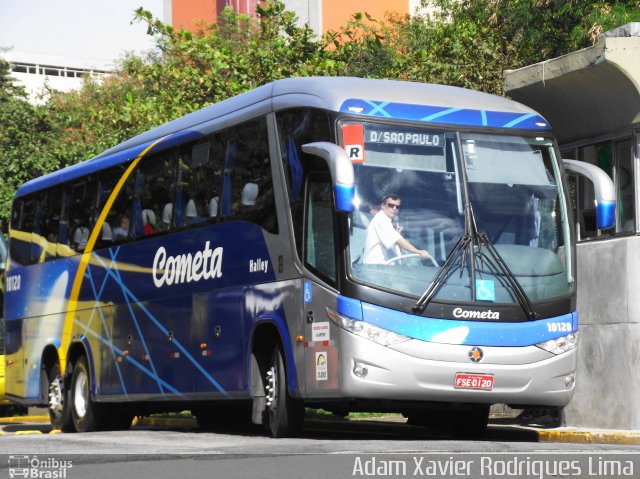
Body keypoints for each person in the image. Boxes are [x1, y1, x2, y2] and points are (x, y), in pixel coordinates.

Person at [362, 193, 430, 264]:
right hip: (375, 270)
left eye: (397, 207)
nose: (394, 208)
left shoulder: (385, 221)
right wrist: (418, 252)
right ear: (383, 206)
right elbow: (399, 240)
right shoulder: (381, 219)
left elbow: (391, 242)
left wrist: (396, 234)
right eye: (391, 205)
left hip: (383, 270)